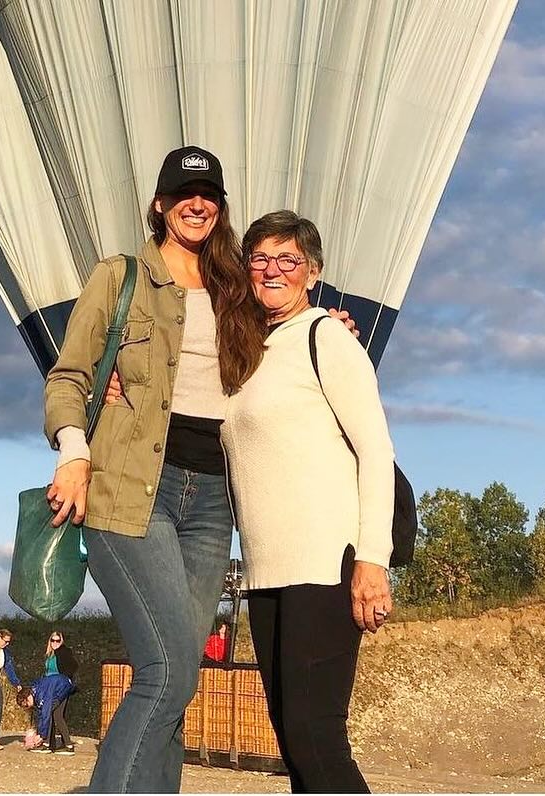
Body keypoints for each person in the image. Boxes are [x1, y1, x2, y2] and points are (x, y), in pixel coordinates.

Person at [44, 145, 267, 793]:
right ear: (160, 204)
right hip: (132, 490)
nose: (197, 204)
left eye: (209, 195)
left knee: (178, 679)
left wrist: (328, 327)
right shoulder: (119, 278)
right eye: (184, 193)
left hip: (212, 505)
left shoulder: (236, 294)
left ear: (219, 209)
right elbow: (68, 375)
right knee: (166, 670)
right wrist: (73, 452)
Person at [220, 210, 395, 793]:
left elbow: (375, 448)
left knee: (316, 735)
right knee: (293, 741)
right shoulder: (246, 352)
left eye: (287, 260)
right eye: (260, 259)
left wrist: (373, 559)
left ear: (312, 272)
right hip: (266, 574)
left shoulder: (327, 338)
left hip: (324, 564)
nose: (273, 270)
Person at [39, 631, 79, 755]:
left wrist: (65, 680)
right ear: (49, 641)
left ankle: (61, 744)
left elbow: (73, 666)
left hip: (60, 687)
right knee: (54, 714)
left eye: (57, 640)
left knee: (53, 713)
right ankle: (53, 743)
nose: (55, 643)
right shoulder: (49, 655)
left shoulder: (64, 652)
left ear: (61, 641)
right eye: (53, 640)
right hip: (49, 688)